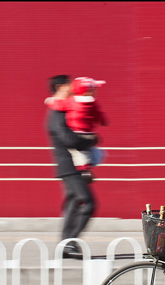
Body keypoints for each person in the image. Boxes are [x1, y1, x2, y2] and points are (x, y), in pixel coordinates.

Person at [45, 75, 98, 259]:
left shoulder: (63, 109)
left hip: (73, 165)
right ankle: (69, 242)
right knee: (88, 202)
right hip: (69, 166)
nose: (72, 88)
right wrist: (89, 140)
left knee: (73, 203)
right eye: (69, 84)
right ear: (60, 87)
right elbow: (68, 139)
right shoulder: (56, 113)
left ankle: (66, 244)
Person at [45, 77, 108, 179]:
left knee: (79, 153)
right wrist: (103, 121)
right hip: (89, 133)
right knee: (93, 152)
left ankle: (84, 169)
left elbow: (60, 105)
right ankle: (89, 164)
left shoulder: (72, 101)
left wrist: (50, 101)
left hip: (77, 132)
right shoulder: (93, 103)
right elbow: (99, 115)